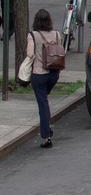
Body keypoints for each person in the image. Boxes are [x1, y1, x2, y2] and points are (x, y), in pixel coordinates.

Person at [25, 10, 62, 149]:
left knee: (43, 105)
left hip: (39, 74)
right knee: (44, 99)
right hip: (54, 73)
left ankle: (47, 136)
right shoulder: (57, 34)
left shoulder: (33, 35)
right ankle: (47, 131)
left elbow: (30, 54)